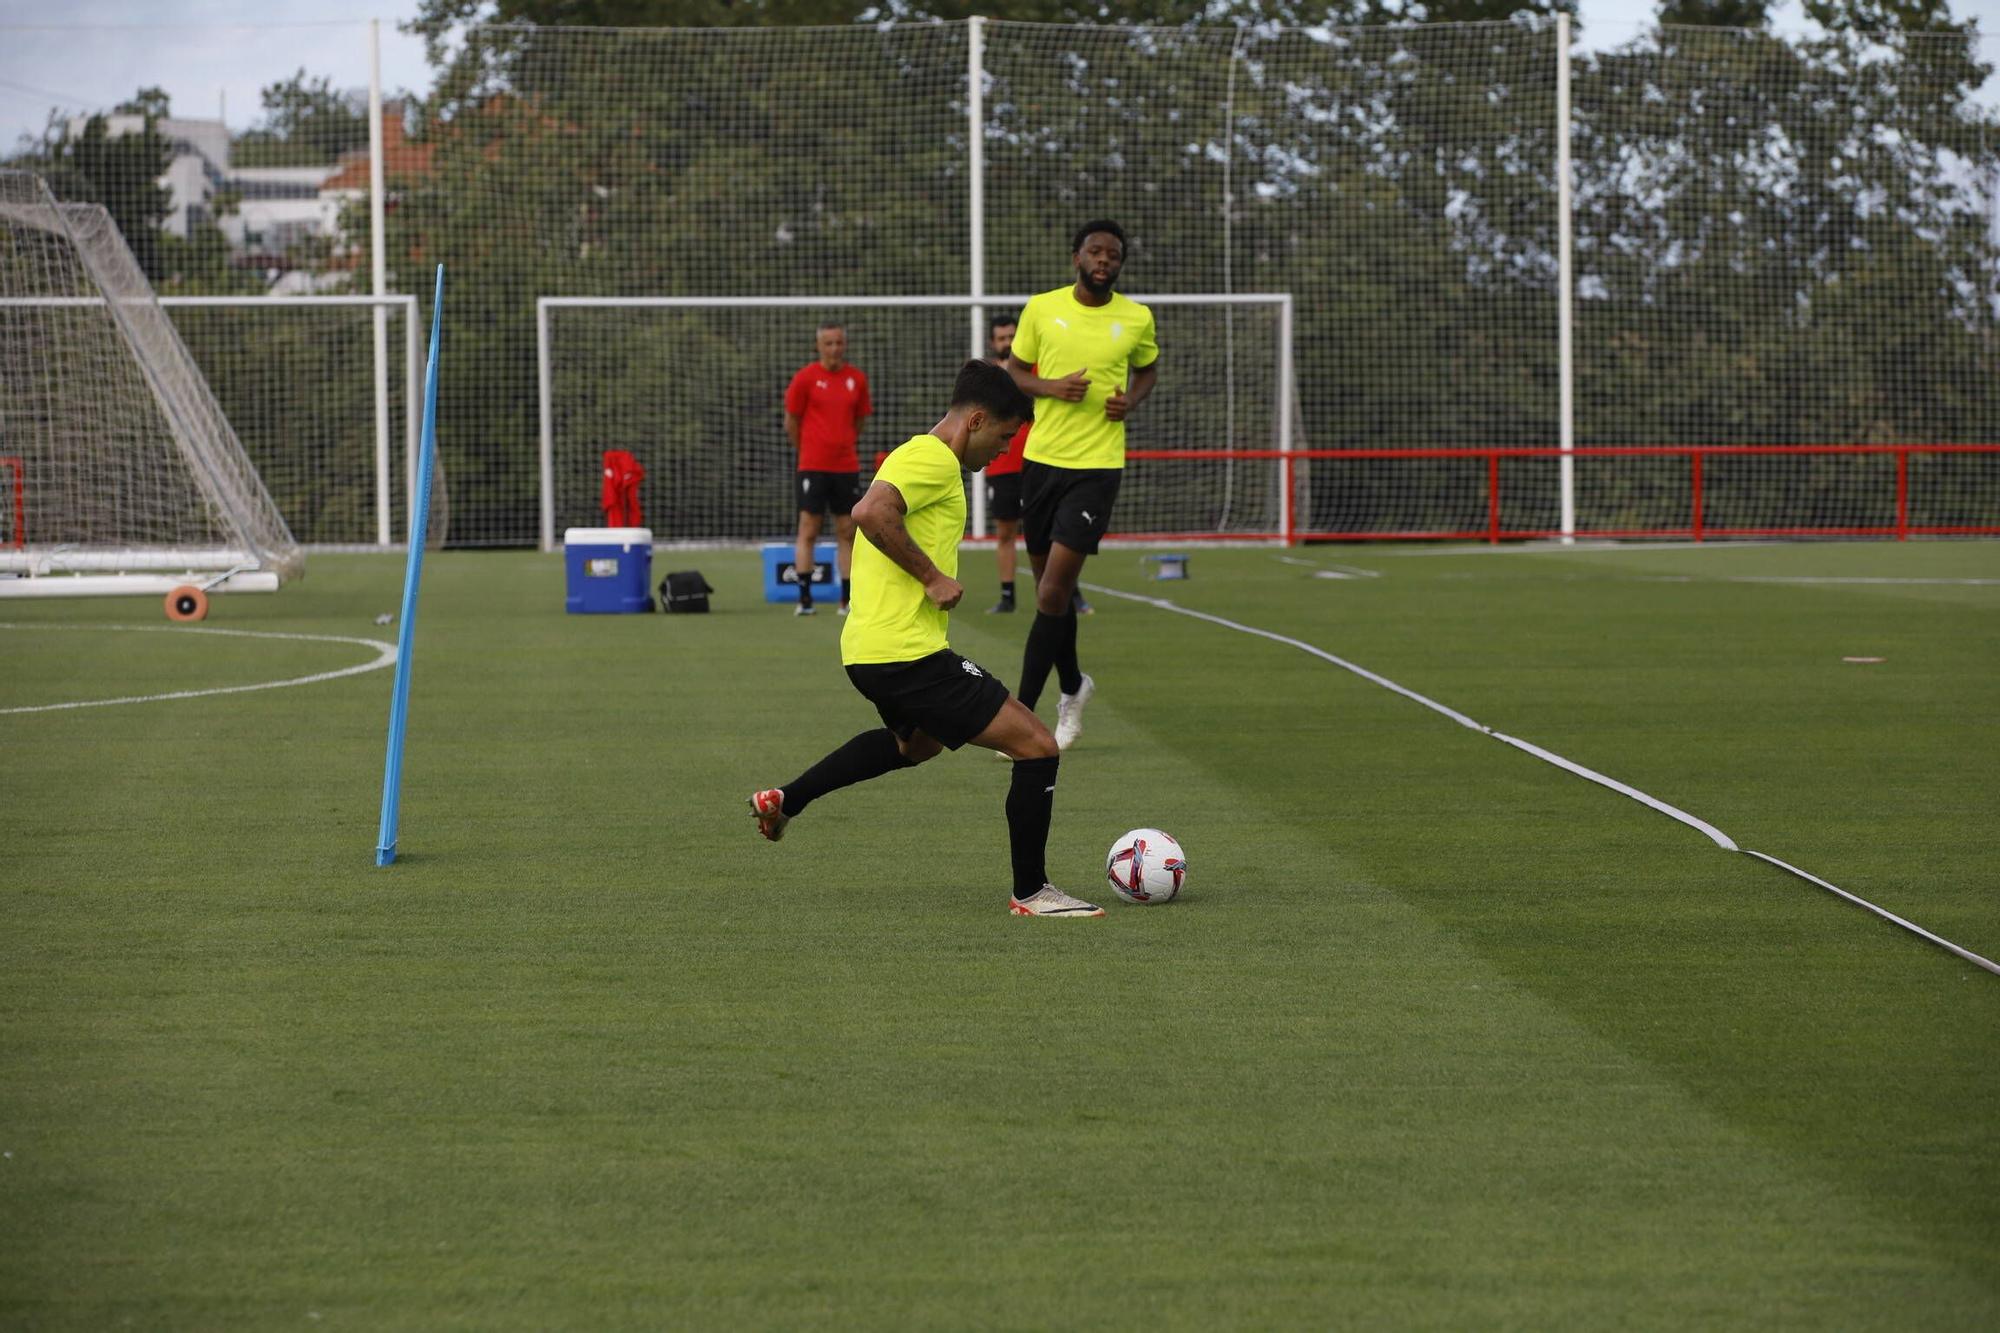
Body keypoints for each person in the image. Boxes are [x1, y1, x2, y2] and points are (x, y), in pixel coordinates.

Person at [749, 359, 1105, 919]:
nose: (1005, 451)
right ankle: (1033, 893)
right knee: (1037, 744)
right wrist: (931, 575)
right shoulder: (932, 458)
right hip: (905, 653)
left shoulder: (923, 457)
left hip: (869, 651)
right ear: (977, 420)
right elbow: (870, 511)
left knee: (916, 745)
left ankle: (787, 799)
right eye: (1005, 437)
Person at [1005, 219, 1157, 749]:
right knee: (1054, 593)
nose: (1104, 261)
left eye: (1113, 254)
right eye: (1095, 251)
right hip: (1042, 462)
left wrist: (1130, 402)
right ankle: (1073, 686)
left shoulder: (1136, 317)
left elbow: (1148, 371)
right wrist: (1051, 386)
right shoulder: (1042, 309)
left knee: (1051, 591)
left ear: (1119, 263)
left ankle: (1019, 715)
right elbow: (1014, 371)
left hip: (1097, 468)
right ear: (1077, 257)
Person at [983, 314, 1093, 619]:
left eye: (1011, 337)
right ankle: (1007, 596)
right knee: (1006, 531)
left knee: (1058, 530)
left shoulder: (1035, 371)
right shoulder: (987, 375)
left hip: (1041, 459)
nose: (1007, 343)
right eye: (1001, 338)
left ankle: (1071, 592)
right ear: (993, 343)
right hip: (1002, 465)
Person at [783, 322, 872, 616]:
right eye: (829, 343)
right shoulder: (805, 378)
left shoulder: (856, 379)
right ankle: (805, 600)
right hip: (812, 465)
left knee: (847, 531)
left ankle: (846, 601)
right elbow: (792, 421)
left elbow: (859, 421)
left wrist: (842, 444)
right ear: (819, 346)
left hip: (846, 466)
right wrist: (808, 450)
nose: (834, 348)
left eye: (839, 343)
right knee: (808, 529)